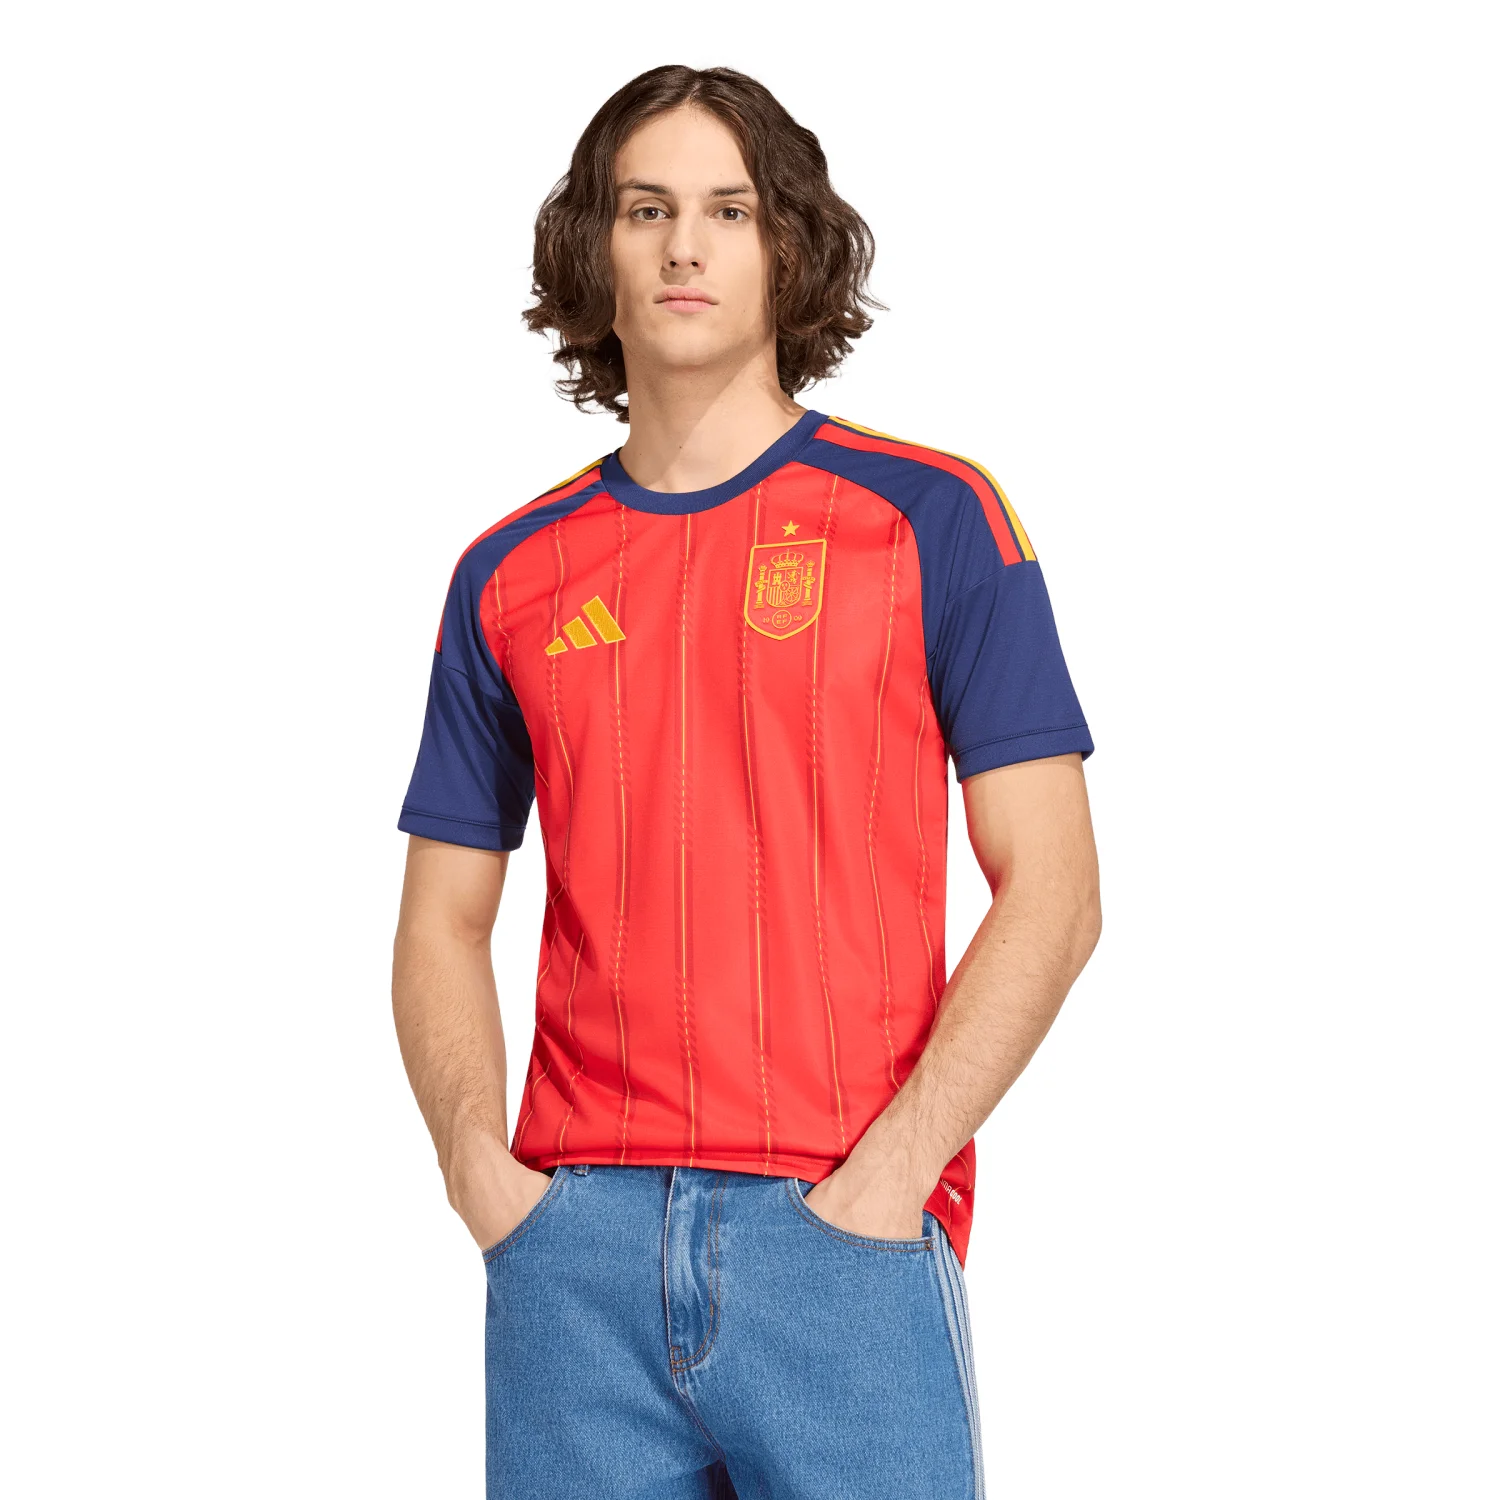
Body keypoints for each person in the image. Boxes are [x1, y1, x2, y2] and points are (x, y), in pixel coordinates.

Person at [391, 62, 1101, 1500]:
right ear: (594, 248)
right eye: (645, 209)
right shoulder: (507, 575)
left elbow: (1058, 892)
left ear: (789, 246)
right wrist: (482, 1174)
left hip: (840, 1229)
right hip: (572, 1252)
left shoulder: (933, 520)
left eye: (729, 210)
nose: (684, 247)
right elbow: (441, 919)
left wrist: (894, 1174)